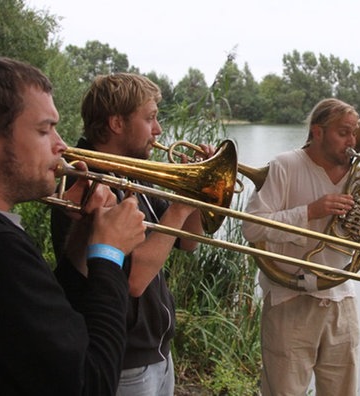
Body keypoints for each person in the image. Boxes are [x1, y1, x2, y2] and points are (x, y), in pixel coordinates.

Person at [0, 56, 147, 395]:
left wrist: (82, 242)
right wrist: (109, 253)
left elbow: (50, 332)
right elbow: (91, 382)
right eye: (44, 130)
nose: (61, 145)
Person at [51, 72, 214, 396]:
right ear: (116, 123)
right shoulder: (84, 182)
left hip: (156, 353)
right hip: (124, 363)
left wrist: (197, 192)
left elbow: (189, 242)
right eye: (150, 118)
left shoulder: (133, 170)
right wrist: (179, 209)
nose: (159, 130)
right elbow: (133, 280)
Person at [242, 98, 360, 395]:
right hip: (289, 300)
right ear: (317, 132)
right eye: (344, 133)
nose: (353, 141)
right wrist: (310, 212)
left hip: (341, 301)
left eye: (355, 133)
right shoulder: (284, 165)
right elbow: (251, 227)